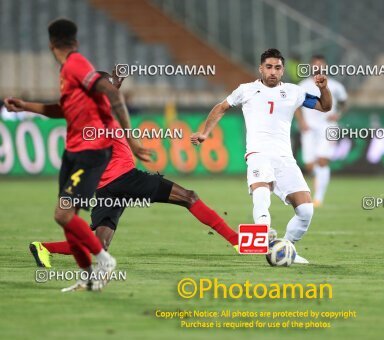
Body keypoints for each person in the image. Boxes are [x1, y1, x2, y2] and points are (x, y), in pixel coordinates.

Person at [30, 71, 239, 276]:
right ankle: (236, 241)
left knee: (101, 244)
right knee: (189, 197)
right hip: (123, 178)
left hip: (105, 188)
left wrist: (115, 79)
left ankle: (44, 247)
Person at [3, 18, 150, 291]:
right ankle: (90, 274)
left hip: (91, 152)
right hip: (74, 152)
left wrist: (130, 136)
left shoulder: (75, 64)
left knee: (64, 214)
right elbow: (62, 109)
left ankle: (103, 260)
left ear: (50, 44)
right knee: (66, 217)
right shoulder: (67, 71)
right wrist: (25, 105)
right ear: (75, 40)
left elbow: (109, 91)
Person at [191, 48, 332, 264]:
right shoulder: (246, 90)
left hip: (285, 158)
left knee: (306, 210)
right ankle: (262, 235)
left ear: (282, 70)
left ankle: (286, 248)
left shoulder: (294, 92)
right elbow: (221, 107)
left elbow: (325, 106)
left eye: (277, 67)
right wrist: (204, 133)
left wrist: (324, 88)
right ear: (260, 68)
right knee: (261, 194)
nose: (273, 72)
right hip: (258, 153)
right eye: (268, 67)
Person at [295, 55, 348, 207]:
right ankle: (314, 192)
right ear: (311, 66)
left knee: (322, 161)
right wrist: (302, 122)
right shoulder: (303, 85)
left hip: (327, 127)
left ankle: (318, 198)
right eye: (315, 65)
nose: (318, 67)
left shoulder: (336, 86)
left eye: (321, 65)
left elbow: (344, 103)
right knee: (310, 165)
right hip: (309, 128)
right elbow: (296, 106)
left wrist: (338, 113)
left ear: (325, 66)